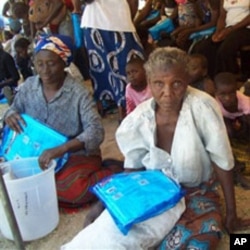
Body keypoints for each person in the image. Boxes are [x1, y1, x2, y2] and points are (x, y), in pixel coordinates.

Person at [61, 47, 250, 249]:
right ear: (149, 82)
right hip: (152, 190)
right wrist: (106, 205)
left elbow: (222, 160)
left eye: (176, 83)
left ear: (187, 81)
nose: (167, 93)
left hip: (197, 191)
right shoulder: (139, 119)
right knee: (107, 235)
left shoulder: (203, 107)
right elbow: (132, 170)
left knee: (202, 238)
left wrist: (231, 213)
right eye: (159, 83)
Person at [3, 34, 122, 209]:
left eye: (51, 63)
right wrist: (9, 115)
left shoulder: (78, 93)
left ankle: (112, 171)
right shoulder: (29, 85)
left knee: (73, 189)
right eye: (39, 63)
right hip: (33, 150)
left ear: (64, 63)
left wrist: (62, 148)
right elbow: (14, 109)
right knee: (10, 176)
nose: (44, 70)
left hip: (72, 155)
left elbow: (96, 131)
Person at [75, 0, 145, 122]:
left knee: (126, 65)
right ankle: (118, 106)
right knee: (107, 67)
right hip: (102, 20)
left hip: (114, 20)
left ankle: (126, 105)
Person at [192, 0, 250, 79]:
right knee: (204, 46)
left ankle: (229, 77)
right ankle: (212, 77)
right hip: (228, 29)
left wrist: (230, 30)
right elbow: (222, 16)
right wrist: (218, 31)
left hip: (246, 28)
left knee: (226, 49)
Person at [214, 72, 250, 189]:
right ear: (216, 93)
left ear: (236, 91)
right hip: (227, 119)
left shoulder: (245, 101)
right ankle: (233, 166)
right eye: (223, 94)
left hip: (242, 117)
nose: (228, 98)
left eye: (231, 93)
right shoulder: (215, 103)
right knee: (225, 131)